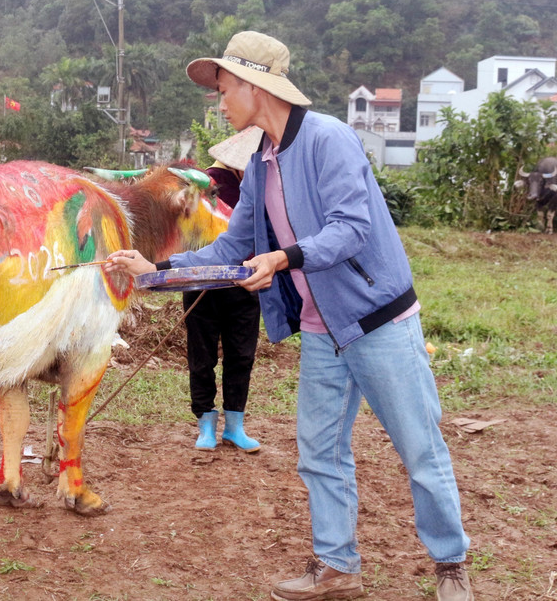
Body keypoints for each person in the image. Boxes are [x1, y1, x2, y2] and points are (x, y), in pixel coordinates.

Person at [104, 31, 474, 601]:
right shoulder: (261, 162)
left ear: (255, 86)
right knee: (320, 453)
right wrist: (155, 269)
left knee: (419, 449)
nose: (219, 102)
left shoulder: (329, 139)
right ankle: (337, 567)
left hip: (379, 322)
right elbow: (233, 246)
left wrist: (282, 258)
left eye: (224, 88)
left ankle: (451, 564)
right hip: (324, 332)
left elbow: (351, 229)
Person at [185, 149, 261, 453]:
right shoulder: (203, 185)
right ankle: (207, 425)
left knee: (240, 355)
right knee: (205, 356)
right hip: (203, 280)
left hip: (245, 280)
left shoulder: (256, 184)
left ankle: (233, 426)